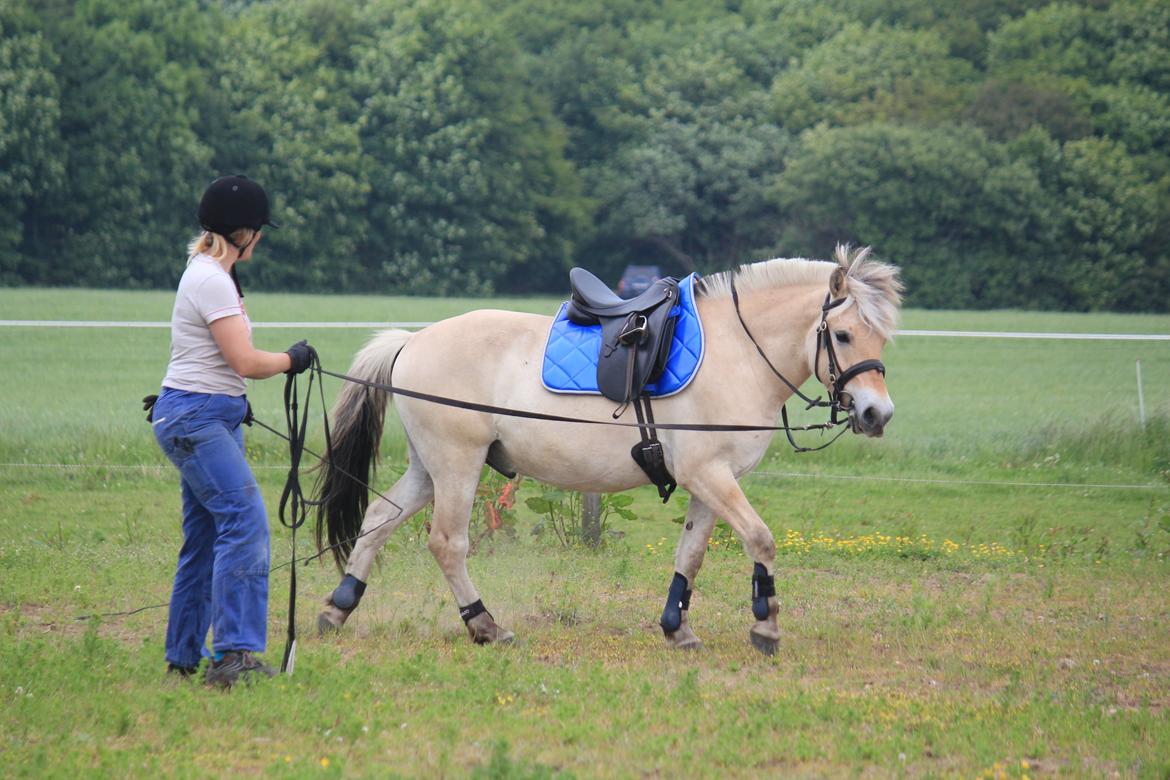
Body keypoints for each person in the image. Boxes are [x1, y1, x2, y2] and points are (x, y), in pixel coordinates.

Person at [151, 175, 313, 688]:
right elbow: (243, 360)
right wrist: (292, 359)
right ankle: (233, 656)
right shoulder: (213, 280)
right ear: (243, 233)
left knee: (204, 538)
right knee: (246, 523)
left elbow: (213, 362)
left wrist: (227, 400)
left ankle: (183, 657)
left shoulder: (207, 273)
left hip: (201, 413)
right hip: (197, 418)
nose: (259, 239)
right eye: (258, 230)